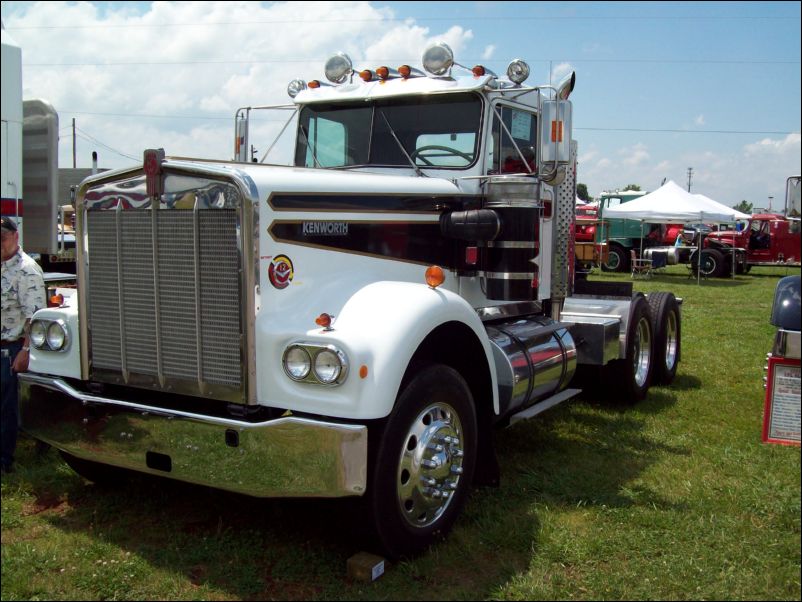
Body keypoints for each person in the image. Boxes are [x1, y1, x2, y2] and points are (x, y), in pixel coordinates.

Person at [1, 216, 46, 474]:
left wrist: (26, 351)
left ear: (15, 237)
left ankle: (4, 461)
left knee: (7, 409)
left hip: (12, 348)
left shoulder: (26, 270)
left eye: (2, 238)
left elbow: (35, 316)